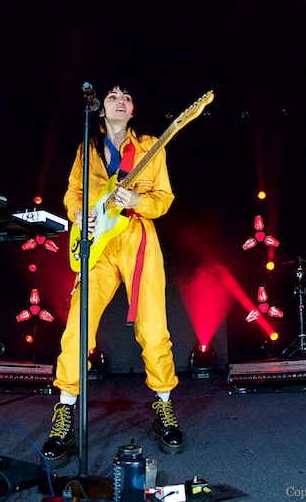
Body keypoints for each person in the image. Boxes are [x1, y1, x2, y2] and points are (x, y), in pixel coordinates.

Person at [41, 84, 184, 469]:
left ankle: (164, 407)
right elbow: (73, 192)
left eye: (127, 97)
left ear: (133, 109)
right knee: (78, 326)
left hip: (138, 237)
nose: (121, 101)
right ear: (100, 108)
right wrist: (78, 214)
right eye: (113, 97)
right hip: (97, 245)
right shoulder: (86, 150)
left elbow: (164, 197)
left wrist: (138, 200)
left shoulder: (151, 146)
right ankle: (65, 413)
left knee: (153, 327)